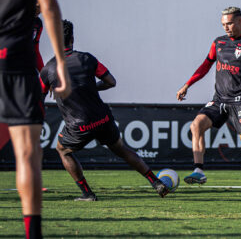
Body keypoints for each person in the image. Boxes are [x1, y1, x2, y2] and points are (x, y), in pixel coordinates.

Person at [40, 20, 169, 200]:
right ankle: (157, 182)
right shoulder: (87, 58)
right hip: (102, 118)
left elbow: (39, 97)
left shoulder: (48, 70)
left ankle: (87, 194)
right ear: (73, 39)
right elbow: (111, 82)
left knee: (63, 150)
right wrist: (90, 87)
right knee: (122, 149)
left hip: (79, 125)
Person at [0, 0, 71, 238]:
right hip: (14, 63)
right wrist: (61, 66)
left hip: (19, 63)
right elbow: (50, 4)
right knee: (27, 155)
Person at [176, 6, 241, 190]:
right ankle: (199, 171)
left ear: (240, 21)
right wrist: (187, 84)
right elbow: (205, 66)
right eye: (223, 24)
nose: (226, 27)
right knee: (196, 125)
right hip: (219, 100)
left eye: (230, 23)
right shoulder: (218, 43)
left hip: (239, 101)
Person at [33, 3, 44, 72]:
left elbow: (35, 49)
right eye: (38, 7)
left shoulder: (38, 23)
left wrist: (43, 71)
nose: (40, 11)